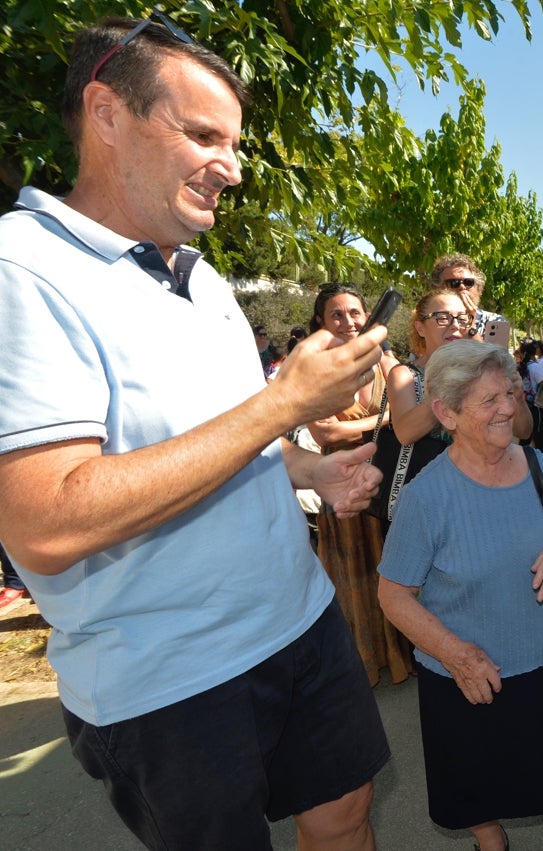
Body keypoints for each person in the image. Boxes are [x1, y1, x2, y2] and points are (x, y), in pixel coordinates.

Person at [0, 15, 391, 848]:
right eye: (205, 134)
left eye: (237, 141)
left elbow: (221, 436)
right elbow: (45, 520)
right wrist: (285, 404)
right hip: (167, 681)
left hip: (299, 619)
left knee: (348, 816)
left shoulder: (199, 272)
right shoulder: (21, 271)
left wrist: (306, 469)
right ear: (106, 114)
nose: (235, 167)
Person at [377, 341, 543, 851]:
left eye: (511, 394)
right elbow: (393, 595)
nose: (510, 408)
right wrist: (457, 656)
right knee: (474, 780)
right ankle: (491, 845)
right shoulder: (426, 498)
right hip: (467, 676)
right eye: (489, 401)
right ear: (445, 413)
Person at [306, 284, 410, 688]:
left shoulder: (387, 360)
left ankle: (401, 654)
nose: (349, 321)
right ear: (321, 321)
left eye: (355, 312)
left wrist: (356, 426)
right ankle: (363, 661)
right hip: (341, 481)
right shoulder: (317, 367)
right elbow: (322, 434)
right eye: (337, 314)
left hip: (387, 478)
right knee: (352, 571)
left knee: (394, 568)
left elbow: (407, 415)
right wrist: (384, 421)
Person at [382, 288, 466, 515]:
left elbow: (523, 429)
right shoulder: (405, 375)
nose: (455, 324)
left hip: (469, 493)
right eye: (442, 317)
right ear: (420, 327)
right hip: (422, 502)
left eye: (461, 317)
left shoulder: (476, 372)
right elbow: (405, 433)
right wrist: (452, 382)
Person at [430, 252, 506, 339]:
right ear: (438, 288)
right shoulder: (429, 320)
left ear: (478, 288)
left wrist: (471, 325)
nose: (462, 287)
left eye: (468, 282)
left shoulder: (495, 321)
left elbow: (495, 353)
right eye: (454, 283)